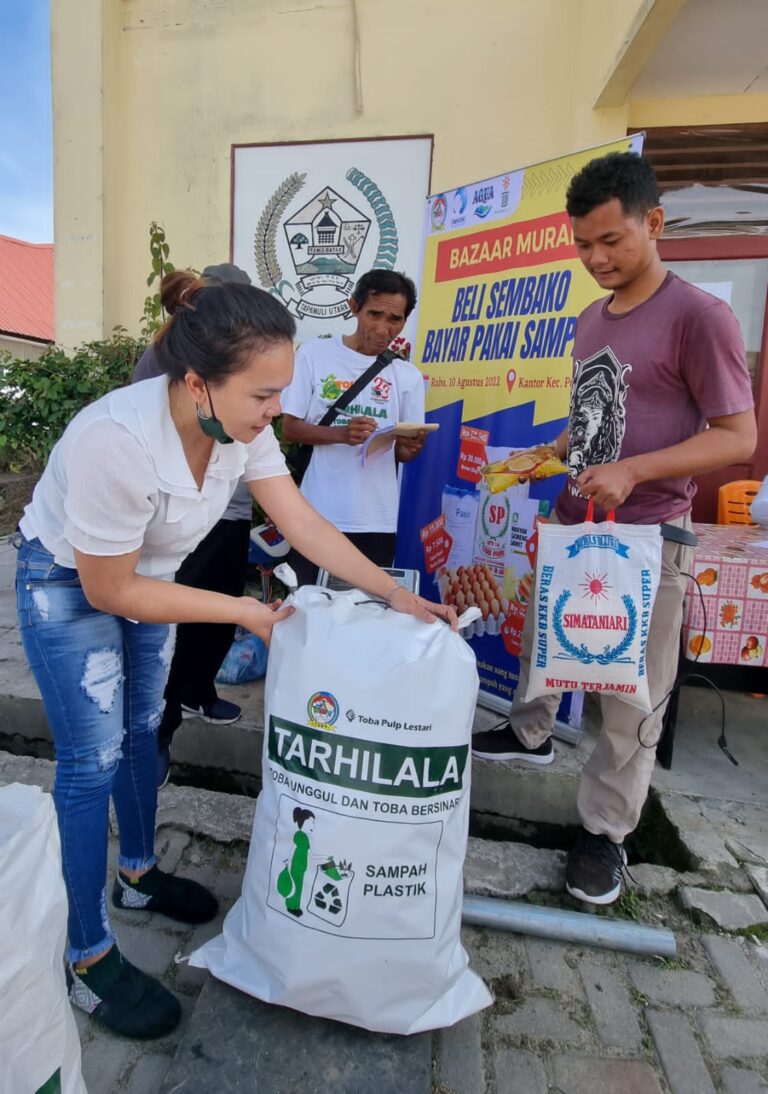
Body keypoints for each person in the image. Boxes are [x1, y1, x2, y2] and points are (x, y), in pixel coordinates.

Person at [15, 270, 455, 1040]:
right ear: (196, 384)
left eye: (282, 391)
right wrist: (248, 613)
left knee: (143, 728)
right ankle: (85, 956)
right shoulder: (116, 440)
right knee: (90, 759)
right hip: (68, 582)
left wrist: (396, 594)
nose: (277, 411)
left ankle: (139, 877)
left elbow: (304, 522)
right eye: (262, 395)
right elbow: (110, 588)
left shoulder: (240, 430)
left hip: (146, 579)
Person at [472, 152, 756, 906]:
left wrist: (634, 471)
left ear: (653, 223)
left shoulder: (701, 316)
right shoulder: (591, 317)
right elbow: (594, 416)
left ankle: (605, 834)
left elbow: (736, 435)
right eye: (583, 245)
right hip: (576, 520)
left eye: (611, 241)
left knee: (633, 696)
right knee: (545, 639)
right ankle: (528, 735)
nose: (596, 259)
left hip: (647, 534)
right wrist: (554, 452)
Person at [133, 262, 254, 787]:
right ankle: (161, 727)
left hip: (233, 508)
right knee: (170, 620)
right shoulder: (166, 356)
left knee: (219, 613)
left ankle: (199, 692)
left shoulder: (247, 364)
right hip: (181, 509)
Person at [281, 269, 428, 585]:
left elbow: (403, 454)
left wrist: (410, 447)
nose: (382, 328)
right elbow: (290, 429)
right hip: (315, 515)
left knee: (367, 614)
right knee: (309, 610)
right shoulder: (314, 355)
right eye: (374, 314)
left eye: (395, 319)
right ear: (353, 307)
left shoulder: (408, 376)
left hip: (377, 520)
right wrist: (341, 434)